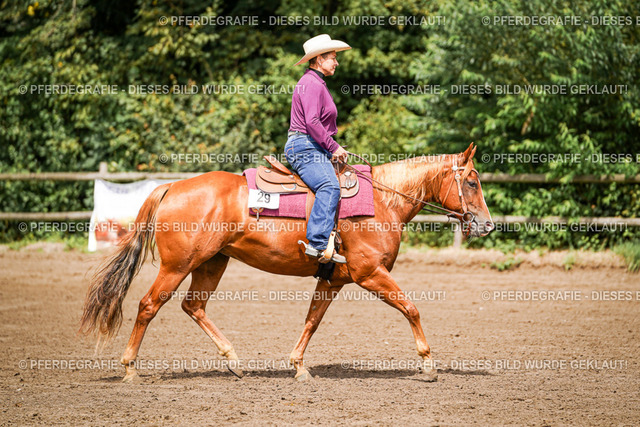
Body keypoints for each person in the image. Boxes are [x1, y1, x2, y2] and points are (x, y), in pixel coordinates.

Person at [285, 34, 350, 264]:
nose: (336, 62)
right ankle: (318, 243)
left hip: (311, 145)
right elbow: (312, 122)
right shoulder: (311, 83)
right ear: (319, 59)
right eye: (332, 58)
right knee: (329, 186)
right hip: (305, 146)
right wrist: (333, 147)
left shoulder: (315, 83)